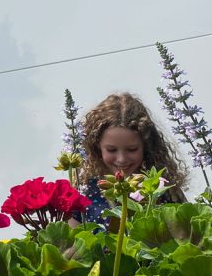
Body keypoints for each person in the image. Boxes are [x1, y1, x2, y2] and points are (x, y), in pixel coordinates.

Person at [78, 92, 187, 226]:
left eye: (132, 149)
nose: (122, 159)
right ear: (96, 147)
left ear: (146, 146)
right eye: (111, 150)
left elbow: (188, 237)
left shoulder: (163, 189)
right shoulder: (84, 192)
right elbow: (70, 244)